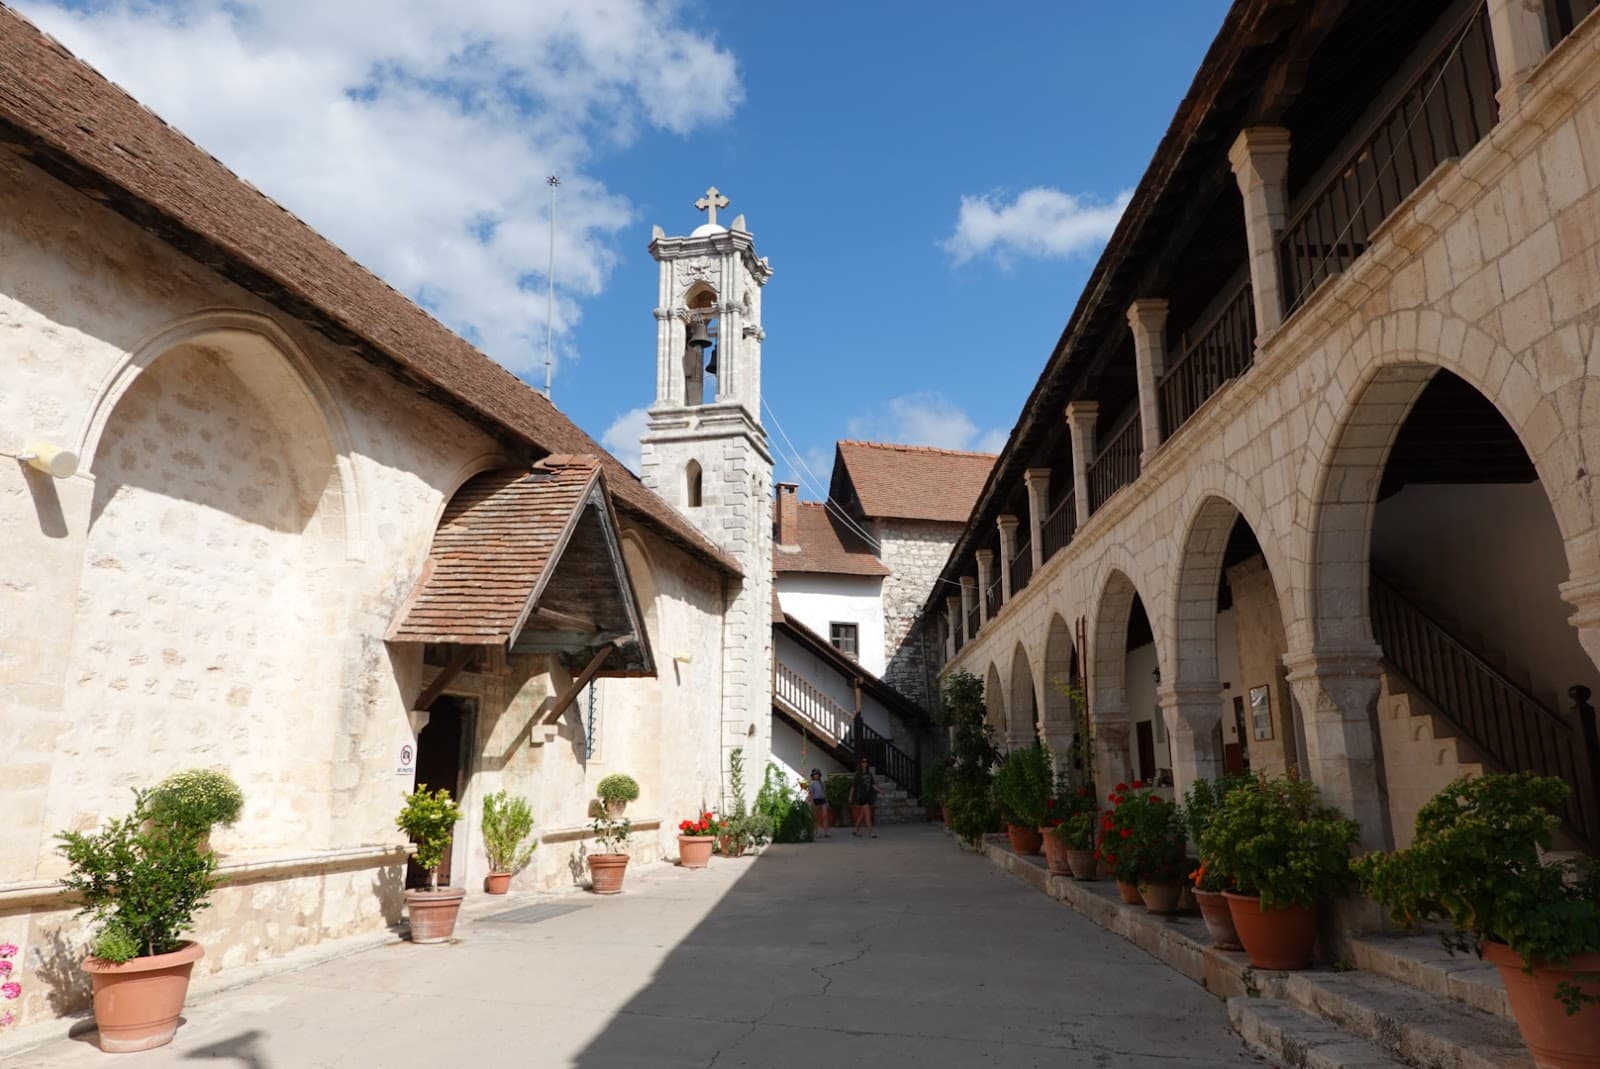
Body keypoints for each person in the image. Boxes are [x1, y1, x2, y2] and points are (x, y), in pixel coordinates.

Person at [848, 755, 877, 838]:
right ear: (860, 763)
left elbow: (873, 785)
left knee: (862, 814)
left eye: (866, 762)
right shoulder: (858, 774)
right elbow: (853, 786)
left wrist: (880, 790)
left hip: (868, 796)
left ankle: (855, 830)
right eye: (863, 762)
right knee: (867, 814)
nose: (865, 763)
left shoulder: (869, 774)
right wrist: (850, 797)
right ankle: (871, 832)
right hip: (861, 796)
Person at [807, 769, 831, 838]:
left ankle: (826, 833)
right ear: (813, 775)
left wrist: (827, 802)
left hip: (823, 800)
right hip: (815, 800)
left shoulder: (822, 783)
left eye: (817, 774)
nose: (816, 775)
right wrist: (812, 803)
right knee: (815, 817)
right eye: (815, 774)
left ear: (819, 775)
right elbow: (811, 794)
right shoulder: (811, 783)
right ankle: (816, 833)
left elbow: (825, 793)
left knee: (825, 816)